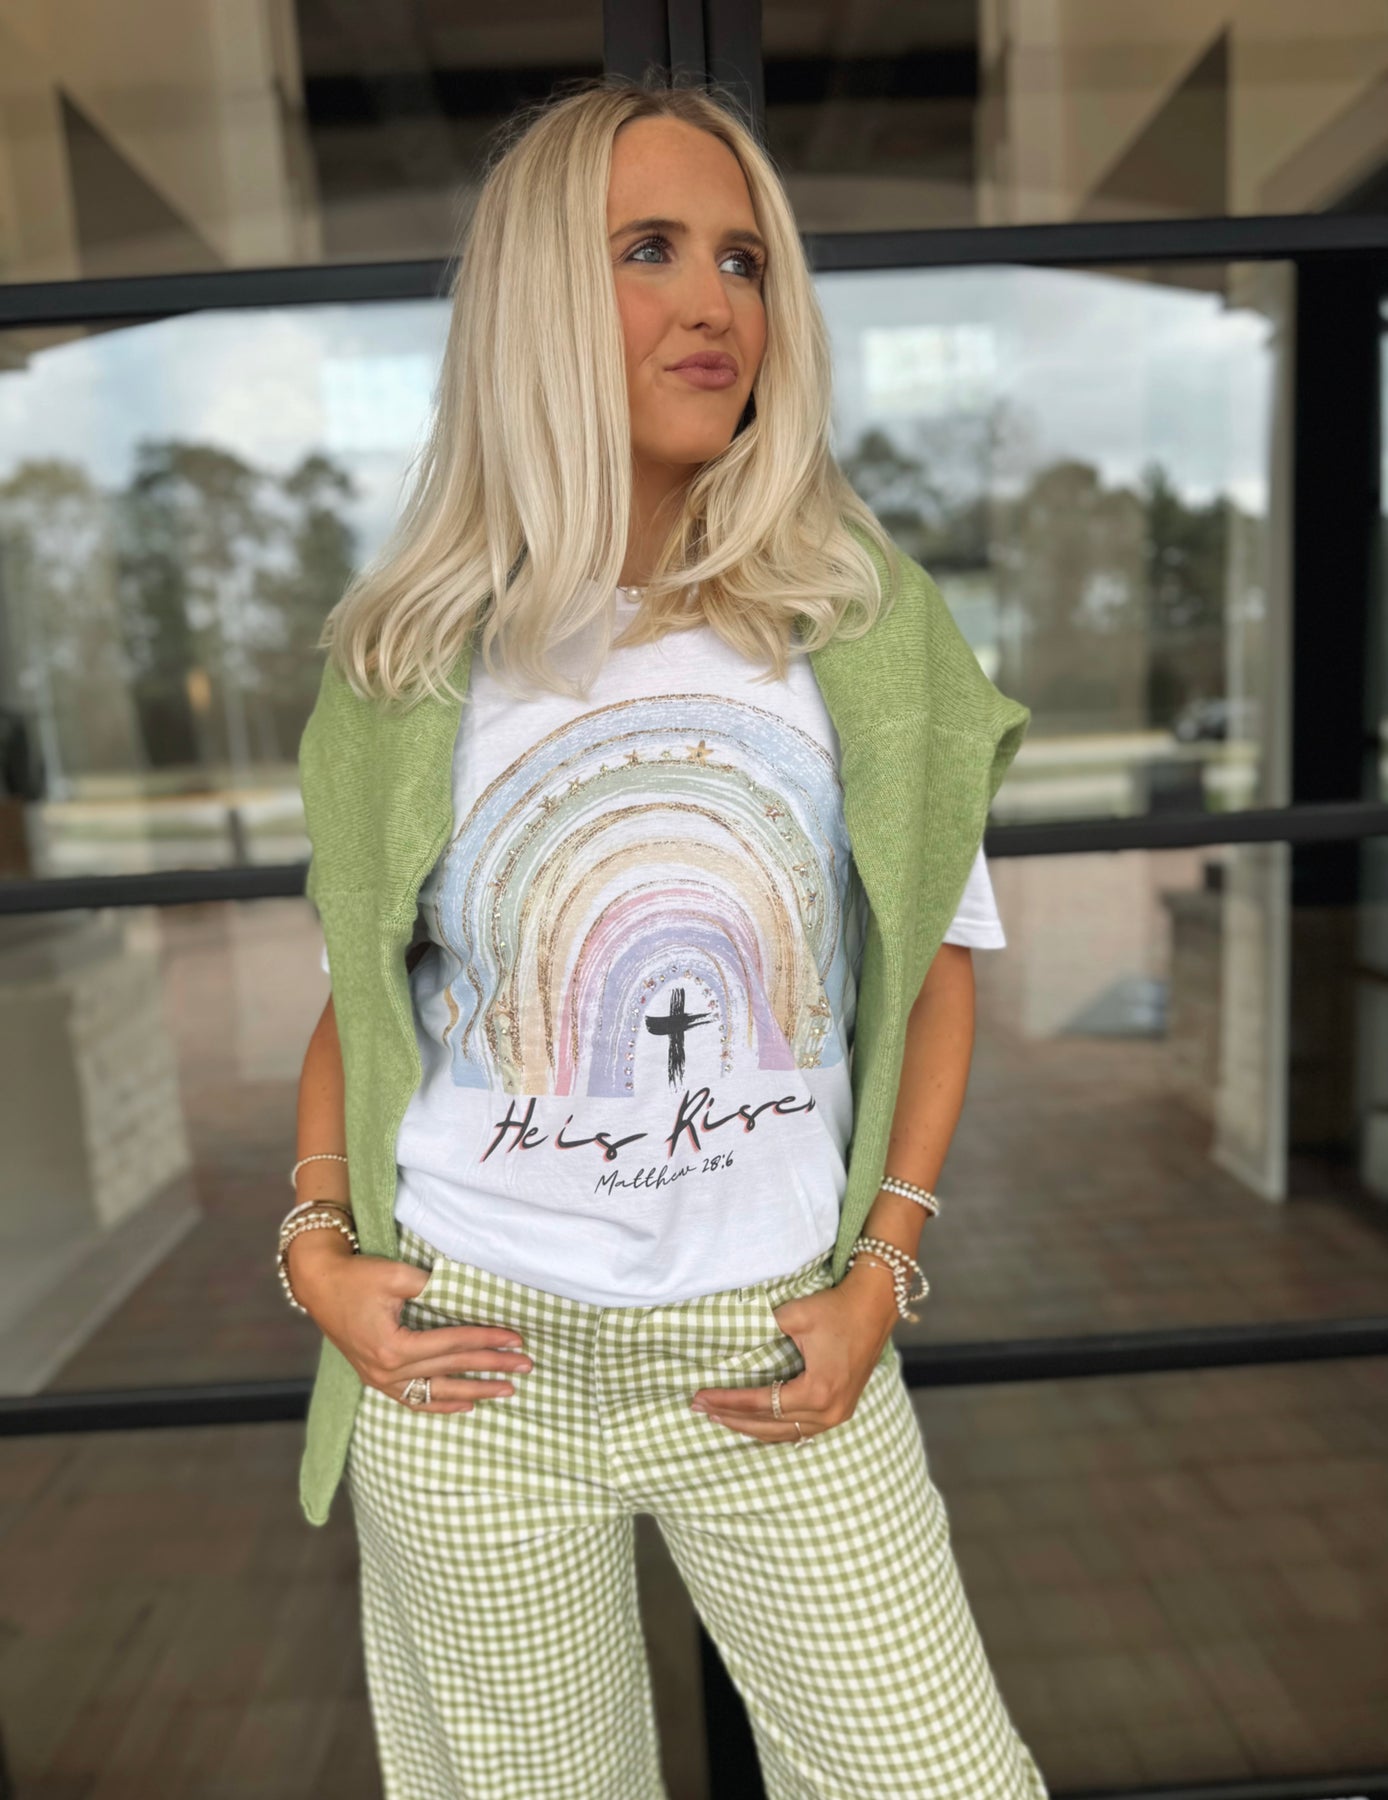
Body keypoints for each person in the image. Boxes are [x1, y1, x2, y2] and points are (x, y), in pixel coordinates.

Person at [284, 73, 1049, 1800]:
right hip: (478, 1354)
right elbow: (363, 1007)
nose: (715, 302)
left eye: (743, 259)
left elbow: (934, 972)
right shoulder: (408, 661)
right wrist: (318, 1251)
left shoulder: (854, 619)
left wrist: (881, 1271)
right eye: (648, 250)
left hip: (776, 1342)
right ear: (538, 301)